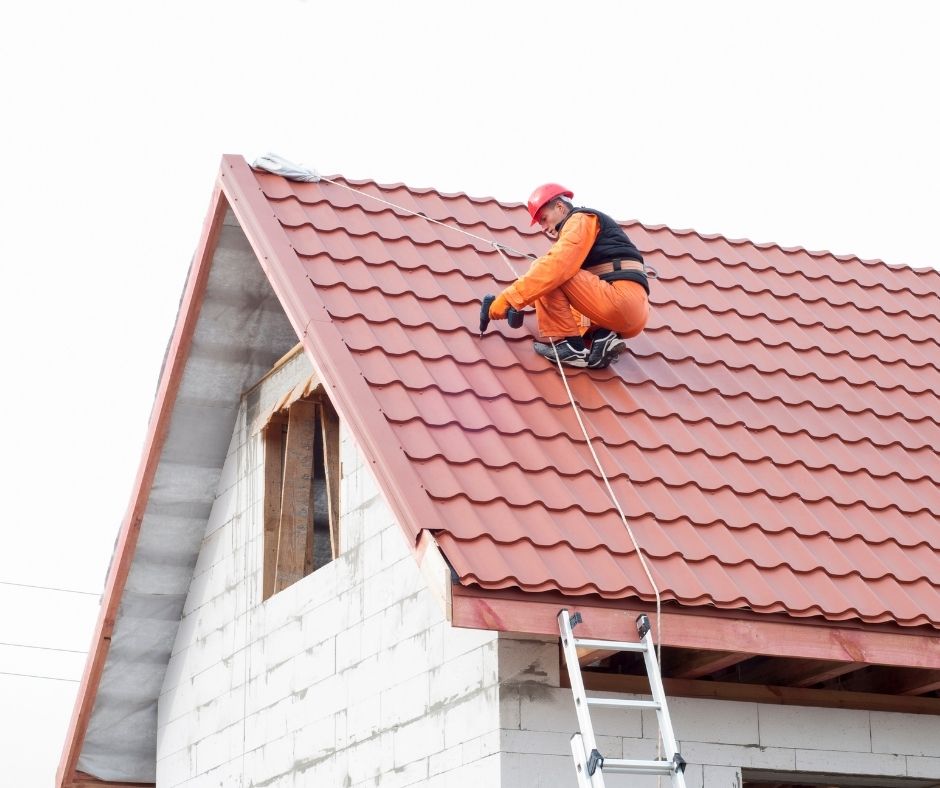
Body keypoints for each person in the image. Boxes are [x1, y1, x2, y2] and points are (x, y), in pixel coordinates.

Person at [488, 183, 650, 368]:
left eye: (544, 218)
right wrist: (521, 304)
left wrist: (509, 299)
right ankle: (602, 338)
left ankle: (570, 346)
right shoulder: (588, 231)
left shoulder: (580, 219)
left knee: (546, 269)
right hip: (633, 313)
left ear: (560, 206)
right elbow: (554, 296)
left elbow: (556, 268)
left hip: (618, 301)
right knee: (547, 279)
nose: (543, 227)